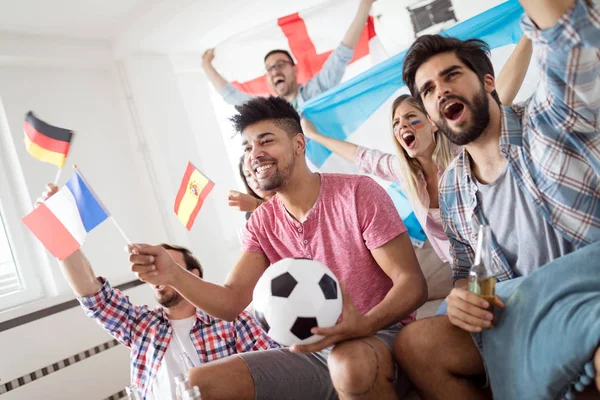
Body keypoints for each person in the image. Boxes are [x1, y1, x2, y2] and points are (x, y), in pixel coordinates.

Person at [128, 96, 427, 400]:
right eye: (247, 148)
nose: (254, 154)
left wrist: (362, 325)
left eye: (265, 141)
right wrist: (174, 275)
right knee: (200, 382)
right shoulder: (261, 222)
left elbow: (412, 285)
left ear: (299, 144)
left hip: (376, 335)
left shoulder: (359, 192)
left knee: (348, 363)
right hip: (308, 354)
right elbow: (231, 302)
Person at [394, 0, 600, 398]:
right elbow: (466, 269)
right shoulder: (452, 186)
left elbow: (572, 43)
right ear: (433, 117)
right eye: (429, 90)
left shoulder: (552, 119)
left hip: (590, 292)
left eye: (452, 75)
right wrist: (461, 297)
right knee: (415, 344)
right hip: (526, 314)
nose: (442, 91)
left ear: (488, 82)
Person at [300, 35, 532, 264]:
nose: (403, 127)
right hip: (460, 265)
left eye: (411, 117)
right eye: (396, 124)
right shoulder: (403, 171)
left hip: (500, 250)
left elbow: (497, 99)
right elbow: (360, 156)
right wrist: (314, 135)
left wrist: (531, 31)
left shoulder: (462, 146)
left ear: (432, 121)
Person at [37, 185, 279, 400]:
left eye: (166, 267)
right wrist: (59, 231)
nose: (157, 276)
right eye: (151, 270)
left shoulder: (234, 321)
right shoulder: (141, 325)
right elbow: (91, 293)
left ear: (192, 274)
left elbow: (274, 374)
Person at [202, 0, 376, 110]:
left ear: (294, 70)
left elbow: (342, 54)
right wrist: (207, 66)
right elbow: (233, 96)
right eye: (269, 69)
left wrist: (365, 6)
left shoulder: (316, 91)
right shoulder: (268, 110)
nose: (275, 71)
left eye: (280, 64)